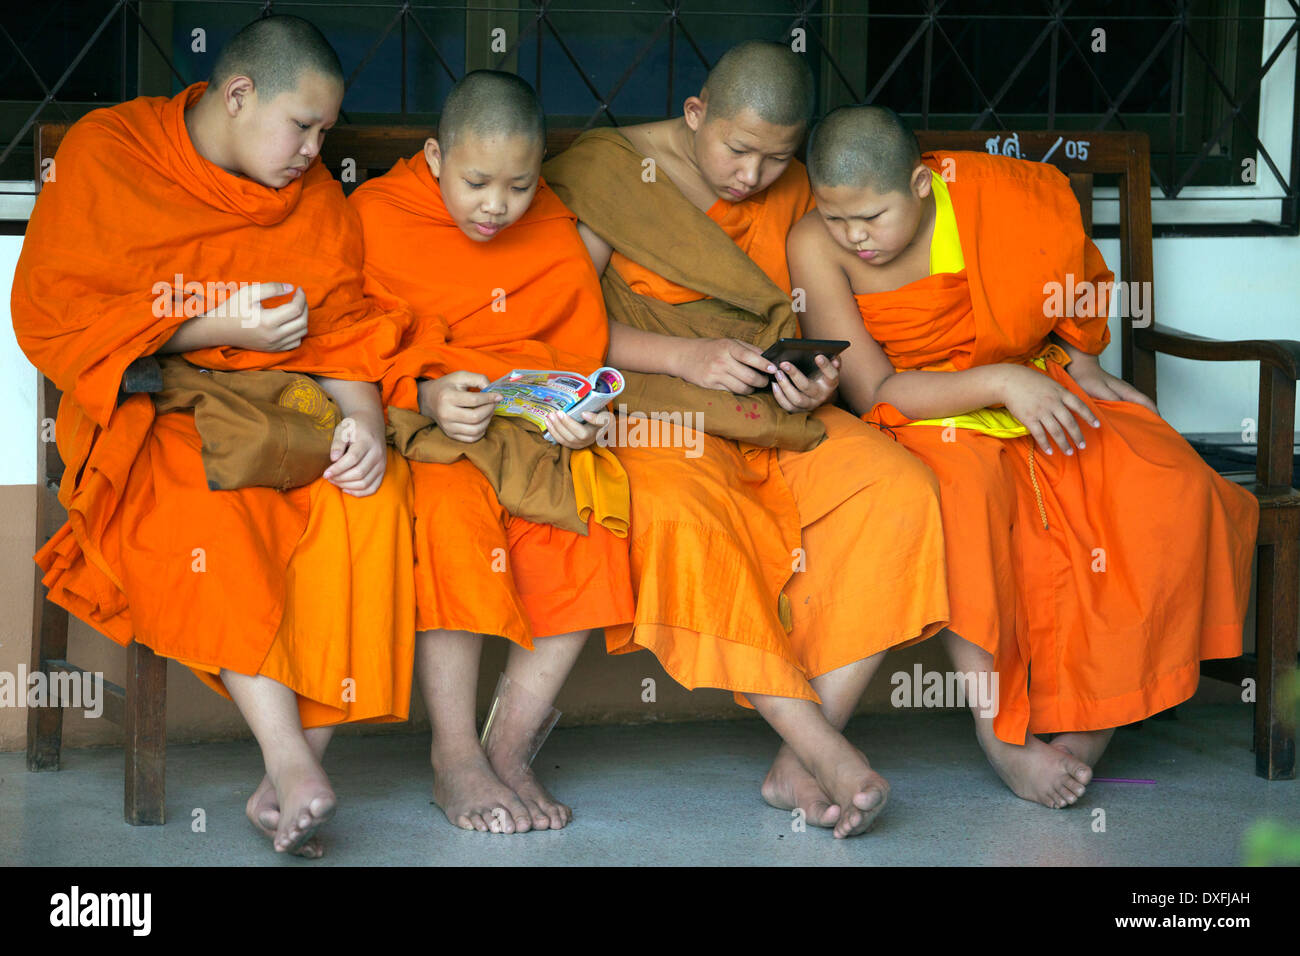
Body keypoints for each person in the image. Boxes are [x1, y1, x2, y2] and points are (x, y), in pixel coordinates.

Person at [12, 15, 417, 856]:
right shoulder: (109, 150)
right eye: (301, 126)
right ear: (238, 94)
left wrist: (367, 426)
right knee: (207, 505)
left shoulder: (308, 196)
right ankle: (288, 758)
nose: (314, 151)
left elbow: (341, 327)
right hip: (146, 405)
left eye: (326, 133)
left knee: (373, 500)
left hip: (282, 410)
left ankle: (296, 771)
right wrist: (199, 324)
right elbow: (55, 315)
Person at [789, 104, 1259, 808]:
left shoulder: (1000, 195)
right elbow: (875, 389)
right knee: (963, 499)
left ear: (921, 183)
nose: (857, 239)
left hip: (1039, 384)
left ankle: (1095, 716)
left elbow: (1064, 283)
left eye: (873, 218)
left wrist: (1081, 360)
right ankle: (1001, 734)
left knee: (1167, 483)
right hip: (926, 413)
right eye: (837, 219)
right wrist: (1002, 382)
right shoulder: (812, 246)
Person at [544, 41, 949, 838]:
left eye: (777, 158)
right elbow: (566, 326)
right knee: (689, 524)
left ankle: (798, 760)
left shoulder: (797, 188)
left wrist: (817, 381)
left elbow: (800, 314)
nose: (753, 178)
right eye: (737, 150)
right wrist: (685, 356)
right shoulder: (608, 172)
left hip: (773, 412)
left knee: (899, 490)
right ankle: (823, 750)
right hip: (655, 413)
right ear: (696, 113)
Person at [351, 71, 634, 834]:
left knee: (589, 519)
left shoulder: (548, 224)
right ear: (436, 155)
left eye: (518, 184)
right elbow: (343, 344)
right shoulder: (376, 216)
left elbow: (573, 348)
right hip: (426, 435)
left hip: (523, 435)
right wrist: (426, 394)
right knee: (451, 513)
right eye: (476, 182)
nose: (496, 207)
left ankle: (507, 748)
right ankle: (454, 754)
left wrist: (572, 413)